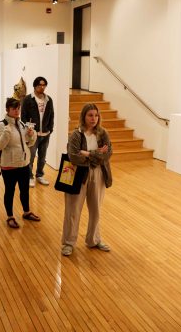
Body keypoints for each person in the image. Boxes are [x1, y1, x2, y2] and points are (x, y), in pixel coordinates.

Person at [61, 103, 113, 257]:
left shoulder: (103, 134)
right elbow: (74, 156)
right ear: (84, 116)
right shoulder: (76, 134)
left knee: (96, 209)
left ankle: (93, 239)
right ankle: (68, 243)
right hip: (78, 174)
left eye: (96, 115)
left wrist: (87, 154)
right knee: (73, 210)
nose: (94, 118)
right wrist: (95, 154)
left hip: (98, 174)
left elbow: (107, 154)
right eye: (90, 115)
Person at [0, 97, 41, 228]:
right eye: (14, 108)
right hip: (9, 166)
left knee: (24, 190)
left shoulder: (21, 124)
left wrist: (31, 135)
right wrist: (7, 133)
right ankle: (10, 216)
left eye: (18, 108)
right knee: (9, 191)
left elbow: (29, 144)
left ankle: (26, 212)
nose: (17, 111)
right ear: (7, 109)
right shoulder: (2, 126)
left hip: (24, 165)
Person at [21, 76, 54, 187]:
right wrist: (28, 129)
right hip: (33, 134)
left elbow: (51, 115)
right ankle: (29, 176)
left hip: (45, 133)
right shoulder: (28, 99)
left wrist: (50, 129)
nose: (42, 87)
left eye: (44, 85)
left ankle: (40, 175)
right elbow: (23, 116)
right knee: (30, 156)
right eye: (40, 85)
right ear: (35, 86)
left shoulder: (49, 100)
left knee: (42, 157)